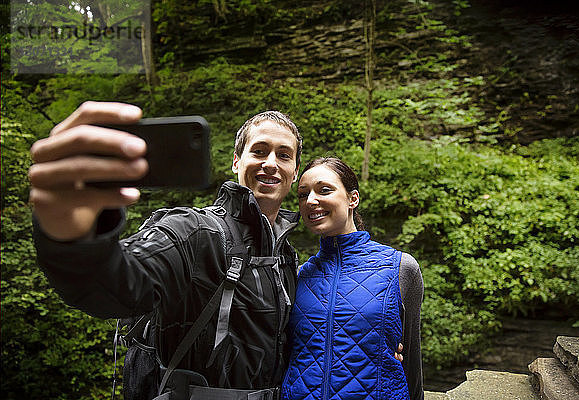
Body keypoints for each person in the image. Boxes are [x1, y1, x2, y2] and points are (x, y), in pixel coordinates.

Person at [28, 101, 303, 399]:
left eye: (283, 155)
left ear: (295, 172)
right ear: (236, 162)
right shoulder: (196, 232)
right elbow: (116, 285)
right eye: (259, 151)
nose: (271, 163)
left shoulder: (285, 256)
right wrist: (72, 237)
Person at [280, 157, 424, 400]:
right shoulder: (297, 276)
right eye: (303, 195)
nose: (311, 201)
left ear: (352, 198)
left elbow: (412, 362)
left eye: (324, 190)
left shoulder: (399, 268)